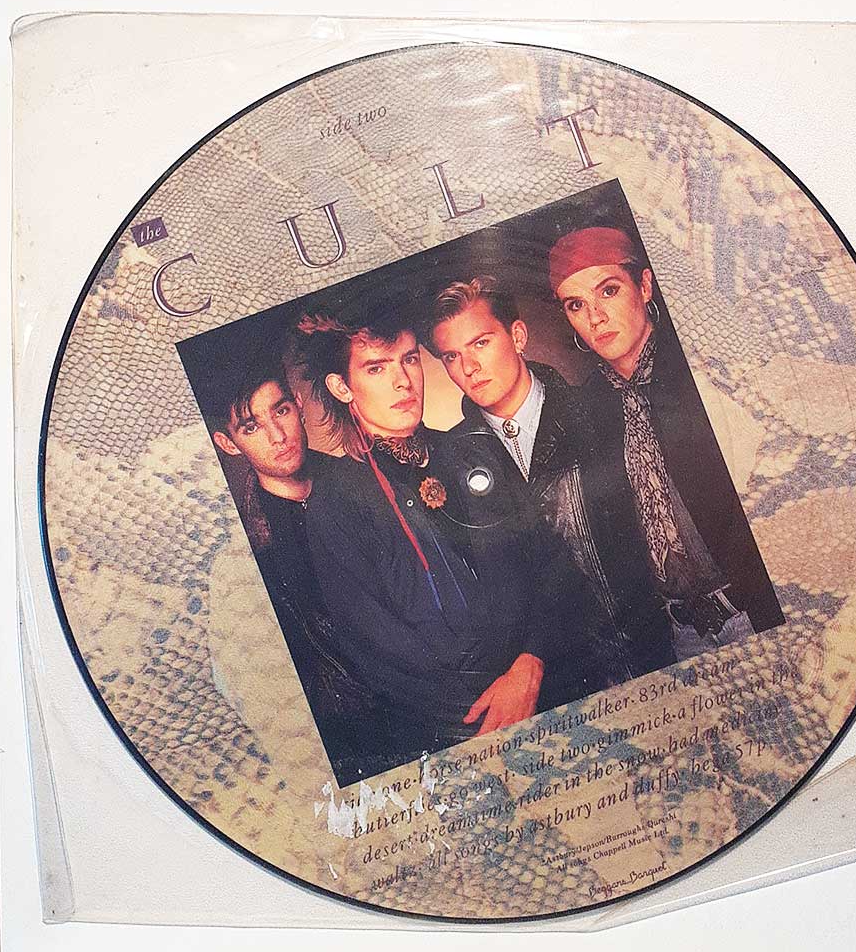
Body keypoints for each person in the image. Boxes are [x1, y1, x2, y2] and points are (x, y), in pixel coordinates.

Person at [294, 308, 587, 783]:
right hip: (463, 739)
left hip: (549, 687)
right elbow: (375, 651)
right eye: (377, 368)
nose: (403, 381)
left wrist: (531, 661)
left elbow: (551, 561)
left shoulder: (472, 449)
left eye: (409, 360)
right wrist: (485, 721)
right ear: (342, 387)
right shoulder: (336, 502)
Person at [548, 226, 785, 662]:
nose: (595, 317)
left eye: (609, 291)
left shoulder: (703, 367)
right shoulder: (589, 408)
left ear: (644, 286)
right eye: (576, 305)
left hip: (753, 612)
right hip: (680, 636)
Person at [426, 275, 657, 682]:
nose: (469, 368)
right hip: (557, 685)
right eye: (451, 356)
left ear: (517, 336)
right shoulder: (449, 463)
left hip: (653, 652)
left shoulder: (599, 410)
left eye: (481, 343)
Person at [209, 352, 381, 785]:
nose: (277, 436)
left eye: (281, 411)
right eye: (251, 428)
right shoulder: (245, 556)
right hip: (353, 744)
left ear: (299, 406)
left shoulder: (364, 480)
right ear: (228, 443)